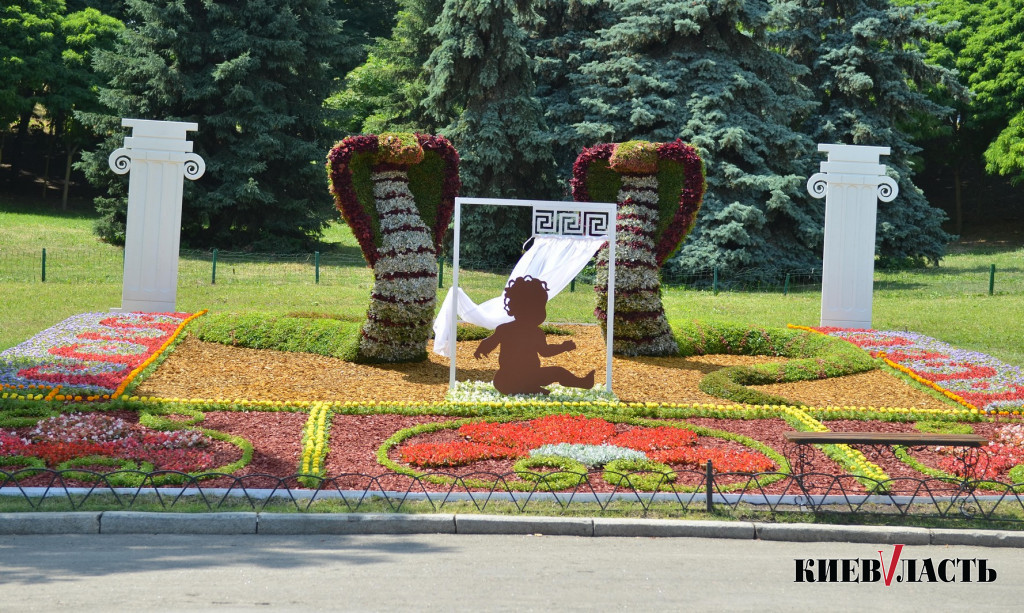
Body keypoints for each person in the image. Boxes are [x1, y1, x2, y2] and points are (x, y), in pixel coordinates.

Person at [474, 275, 595, 395]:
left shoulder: (506, 329)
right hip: (511, 379)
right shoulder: (532, 332)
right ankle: (532, 388)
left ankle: (532, 388)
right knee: (558, 372)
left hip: (508, 380)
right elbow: (545, 352)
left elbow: (489, 342)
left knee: (556, 372)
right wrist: (563, 347)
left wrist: (482, 348)